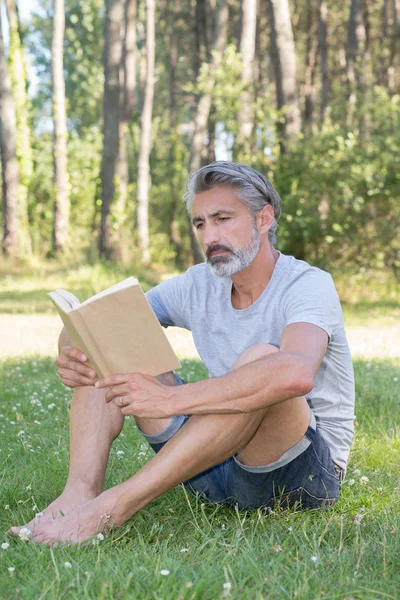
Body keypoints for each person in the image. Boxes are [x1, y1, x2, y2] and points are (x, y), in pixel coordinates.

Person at [10, 162, 355, 545]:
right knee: (103, 338)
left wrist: (169, 398)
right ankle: (79, 492)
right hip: (212, 465)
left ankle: (114, 506)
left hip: (298, 475)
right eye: (201, 224)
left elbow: (296, 374)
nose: (211, 236)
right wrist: (72, 349)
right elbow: (99, 320)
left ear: (264, 218)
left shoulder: (308, 285)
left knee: (263, 360)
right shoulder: (199, 283)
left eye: (223, 219)